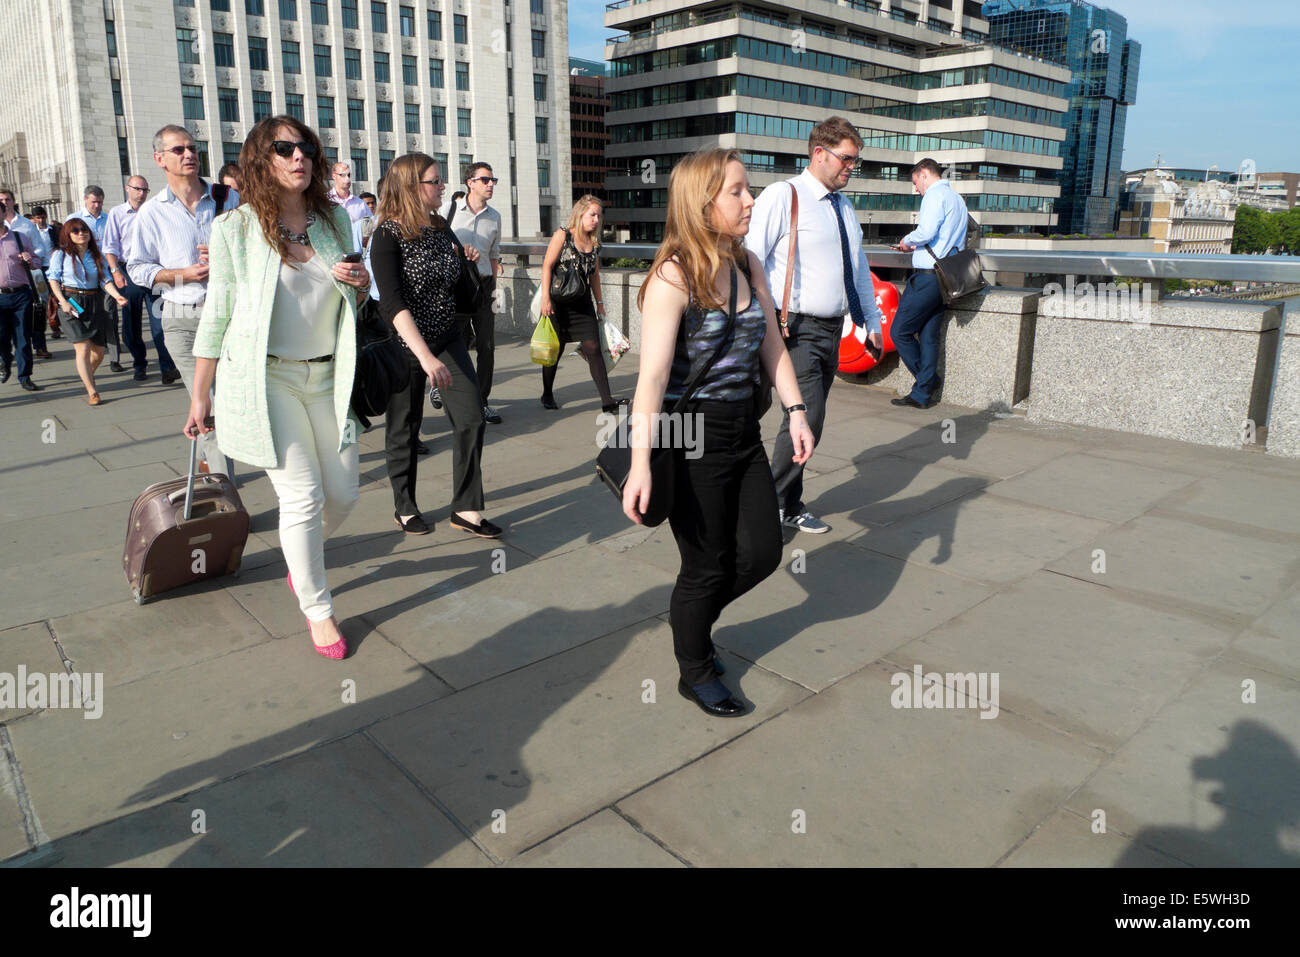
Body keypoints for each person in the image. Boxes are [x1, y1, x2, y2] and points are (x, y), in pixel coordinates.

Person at [623, 148, 814, 717]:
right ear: (702, 203)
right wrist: (639, 465)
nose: (750, 199)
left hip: (743, 430)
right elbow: (653, 379)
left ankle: (691, 621)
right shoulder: (673, 276)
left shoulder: (749, 262)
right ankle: (695, 667)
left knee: (761, 553)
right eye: (736, 190)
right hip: (691, 436)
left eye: (746, 188)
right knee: (706, 566)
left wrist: (796, 410)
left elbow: (771, 344)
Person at [186, 115, 370, 659]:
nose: (299, 158)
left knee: (343, 493)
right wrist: (200, 393)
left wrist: (358, 287)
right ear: (262, 159)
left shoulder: (334, 221)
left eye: (306, 149)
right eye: (284, 149)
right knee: (302, 495)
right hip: (269, 379)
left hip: (329, 377)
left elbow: (349, 304)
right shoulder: (236, 230)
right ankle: (318, 608)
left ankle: (300, 561)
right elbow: (216, 314)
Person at [744, 116, 884, 535]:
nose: (851, 168)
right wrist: (762, 321)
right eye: (846, 159)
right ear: (819, 153)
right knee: (807, 415)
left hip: (831, 329)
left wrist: (870, 322)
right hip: (793, 328)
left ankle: (783, 502)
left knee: (804, 421)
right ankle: (770, 509)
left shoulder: (843, 207)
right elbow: (752, 260)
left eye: (855, 161)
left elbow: (857, 268)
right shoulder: (783, 195)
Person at [370, 152, 500, 539]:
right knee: (405, 427)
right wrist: (424, 357)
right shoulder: (387, 235)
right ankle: (405, 506)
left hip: (447, 336)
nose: (443, 186)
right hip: (403, 343)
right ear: (412, 187)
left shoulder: (441, 227)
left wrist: (468, 262)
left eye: (441, 180)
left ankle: (467, 509)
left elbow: (456, 282)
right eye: (435, 181)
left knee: (472, 417)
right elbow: (392, 302)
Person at [129, 124, 238, 476]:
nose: (189, 154)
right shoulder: (152, 212)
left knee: (234, 400)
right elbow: (138, 269)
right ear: (160, 159)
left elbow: (253, 249)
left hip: (229, 312)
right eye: (178, 150)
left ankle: (214, 460)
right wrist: (182, 275)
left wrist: (225, 255)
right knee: (205, 401)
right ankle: (226, 491)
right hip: (180, 315)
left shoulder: (226, 198)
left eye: (192, 148)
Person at [891, 157, 970, 409]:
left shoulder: (934, 196)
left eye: (916, 182)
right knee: (929, 337)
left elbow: (926, 232)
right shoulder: (957, 199)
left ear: (924, 174)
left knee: (899, 332)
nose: (916, 188)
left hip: (927, 278)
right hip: (948, 276)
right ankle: (921, 396)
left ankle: (928, 381)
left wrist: (906, 241)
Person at [537, 196, 622, 413]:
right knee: (554, 350)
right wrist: (545, 298)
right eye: (592, 214)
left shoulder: (594, 243)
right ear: (580, 214)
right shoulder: (563, 235)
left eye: (598, 215)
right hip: (558, 303)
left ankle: (607, 400)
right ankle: (547, 392)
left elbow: (594, 275)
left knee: (593, 348)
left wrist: (600, 303)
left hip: (583, 304)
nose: (596, 219)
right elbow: (547, 266)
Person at [103, 175, 180, 383]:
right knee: (131, 324)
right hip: (128, 272)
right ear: (128, 189)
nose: (142, 193)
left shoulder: (154, 211)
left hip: (154, 272)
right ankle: (140, 364)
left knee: (160, 322)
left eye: (145, 190)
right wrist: (115, 272)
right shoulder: (117, 214)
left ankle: (167, 368)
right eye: (138, 189)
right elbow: (109, 246)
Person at [48, 220, 128, 403]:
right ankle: (92, 391)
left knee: (99, 352)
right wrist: (62, 301)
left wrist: (117, 296)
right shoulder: (60, 254)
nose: (80, 233)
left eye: (84, 230)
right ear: (67, 234)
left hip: (94, 301)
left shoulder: (96, 254)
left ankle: (85, 374)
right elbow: (53, 279)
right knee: (82, 348)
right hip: (71, 301)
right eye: (75, 231)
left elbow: (104, 279)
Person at [448, 161, 503, 425]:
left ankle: (482, 402)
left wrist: (495, 291)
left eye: (493, 181)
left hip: (484, 287)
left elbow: (494, 255)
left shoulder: (495, 217)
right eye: (485, 180)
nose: (491, 184)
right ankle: (447, 393)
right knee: (453, 344)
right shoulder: (450, 211)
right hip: (455, 288)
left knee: (487, 347)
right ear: (470, 182)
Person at [69, 185, 124, 372]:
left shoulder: (108, 220)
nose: (97, 205)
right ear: (85, 200)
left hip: (105, 274)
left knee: (110, 315)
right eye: (93, 202)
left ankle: (114, 358)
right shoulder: (74, 220)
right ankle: (88, 351)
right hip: (82, 280)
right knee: (85, 316)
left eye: (100, 202)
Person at [0, 189, 50, 360]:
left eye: (7, 199)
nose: (5, 202)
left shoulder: (26, 224)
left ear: (13, 201)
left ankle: (40, 346)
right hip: (6, 282)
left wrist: (27, 256)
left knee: (37, 310)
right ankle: (7, 355)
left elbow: (40, 248)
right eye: (1, 200)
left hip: (30, 276)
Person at [0, 215, 44, 392]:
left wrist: (29, 260)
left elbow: (37, 262)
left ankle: (25, 376)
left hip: (21, 295)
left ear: (3, 214)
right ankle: (5, 360)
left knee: (23, 337)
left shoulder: (19, 237)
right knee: (1, 337)